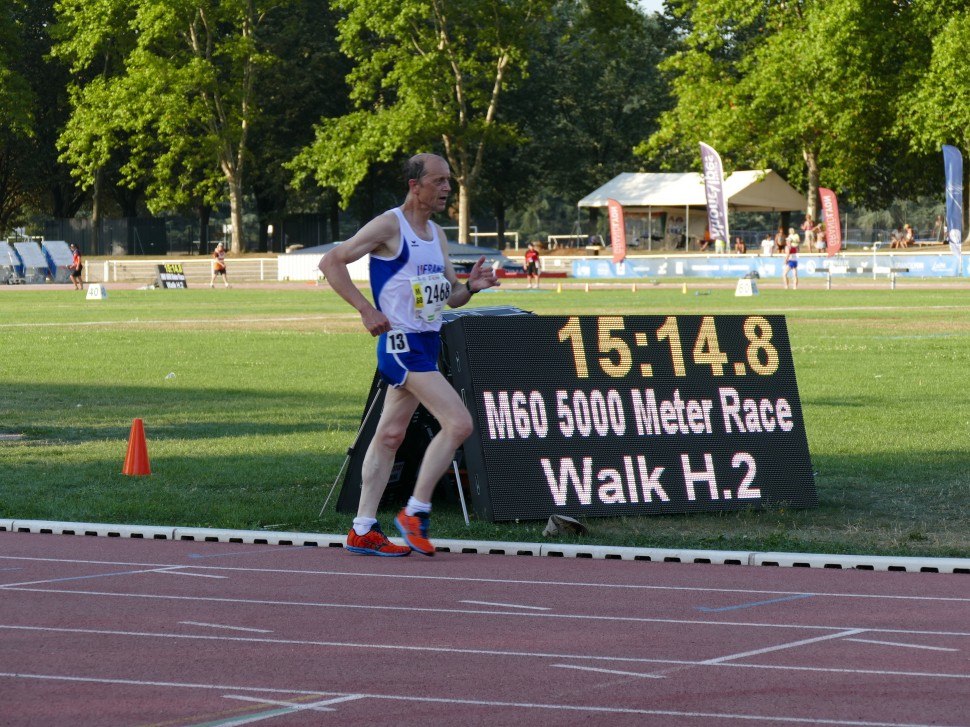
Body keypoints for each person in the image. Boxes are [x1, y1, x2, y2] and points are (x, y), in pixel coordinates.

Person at [319, 152, 499, 557]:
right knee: (458, 423)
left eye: (449, 182)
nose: (447, 188)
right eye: (438, 181)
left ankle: (362, 528)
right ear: (414, 185)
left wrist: (471, 286)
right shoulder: (389, 225)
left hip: (427, 344)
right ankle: (415, 512)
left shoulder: (436, 235)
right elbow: (331, 261)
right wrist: (366, 309)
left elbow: (449, 298)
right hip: (400, 345)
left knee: (390, 435)